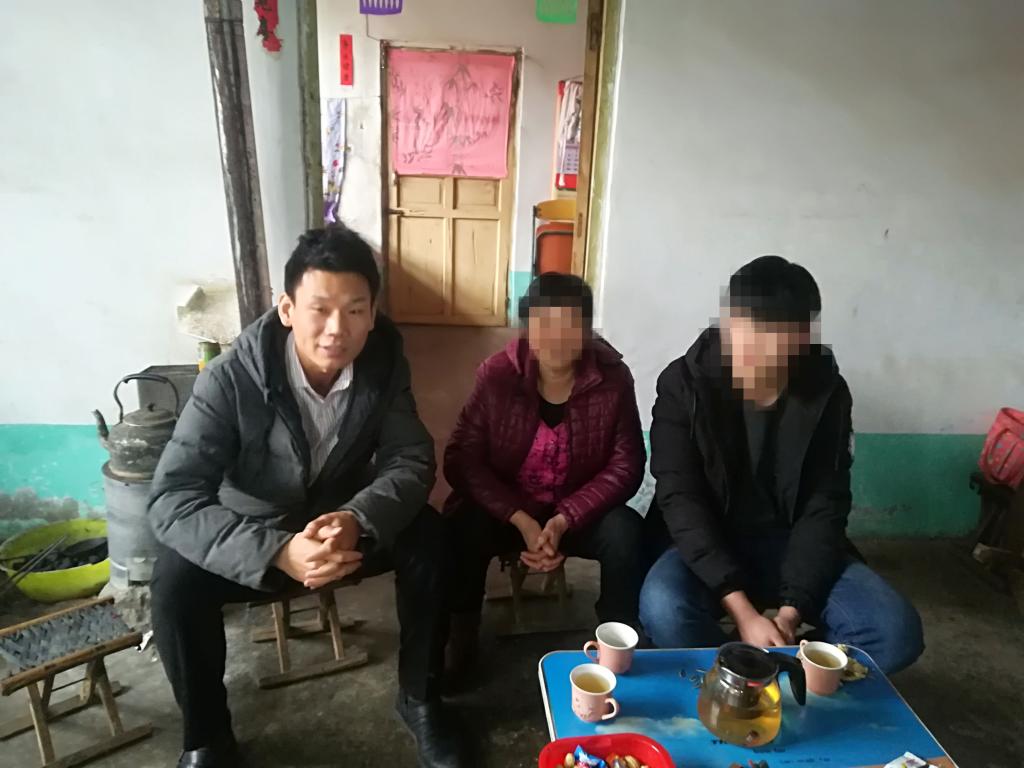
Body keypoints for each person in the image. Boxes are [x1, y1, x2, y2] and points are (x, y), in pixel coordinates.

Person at [148, 227, 463, 768]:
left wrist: (357, 518)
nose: (337, 329)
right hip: (257, 533)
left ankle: (421, 699)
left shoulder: (384, 364)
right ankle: (206, 740)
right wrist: (275, 550)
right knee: (175, 580)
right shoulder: (229, 380)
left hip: (339, 530)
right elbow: (173, 499)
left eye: (355, 310)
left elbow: (409, 459)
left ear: (372, 313)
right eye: (320, 309)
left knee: (431, 536)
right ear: (288, 309)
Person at [639, 256, 924, 675]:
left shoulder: (827, 393)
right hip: (710, 541)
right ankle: (741, 671)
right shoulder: (684, 384)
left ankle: (788, 669)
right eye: (740, 334)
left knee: (895, 633)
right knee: (663, 608)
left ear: (801, 339)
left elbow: (825, 505)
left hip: (789, 543)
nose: (746, 353)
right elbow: (680, 500)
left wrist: (791, 612)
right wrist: (743, 614)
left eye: (767, 343)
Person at [443, 273, 647, 683]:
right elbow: (462, 459)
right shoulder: (497, 376)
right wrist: (520, 518)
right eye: (544, 323)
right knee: (460, 528)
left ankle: (615, 640)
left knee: (626, 533)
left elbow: (626, 464)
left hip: (576, 514)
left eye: (570, 324)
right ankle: (459, 637)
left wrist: (563, 519)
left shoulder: (613, 379)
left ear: (587, 330)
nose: (557, 337)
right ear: (527, 328)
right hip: (509, 511)